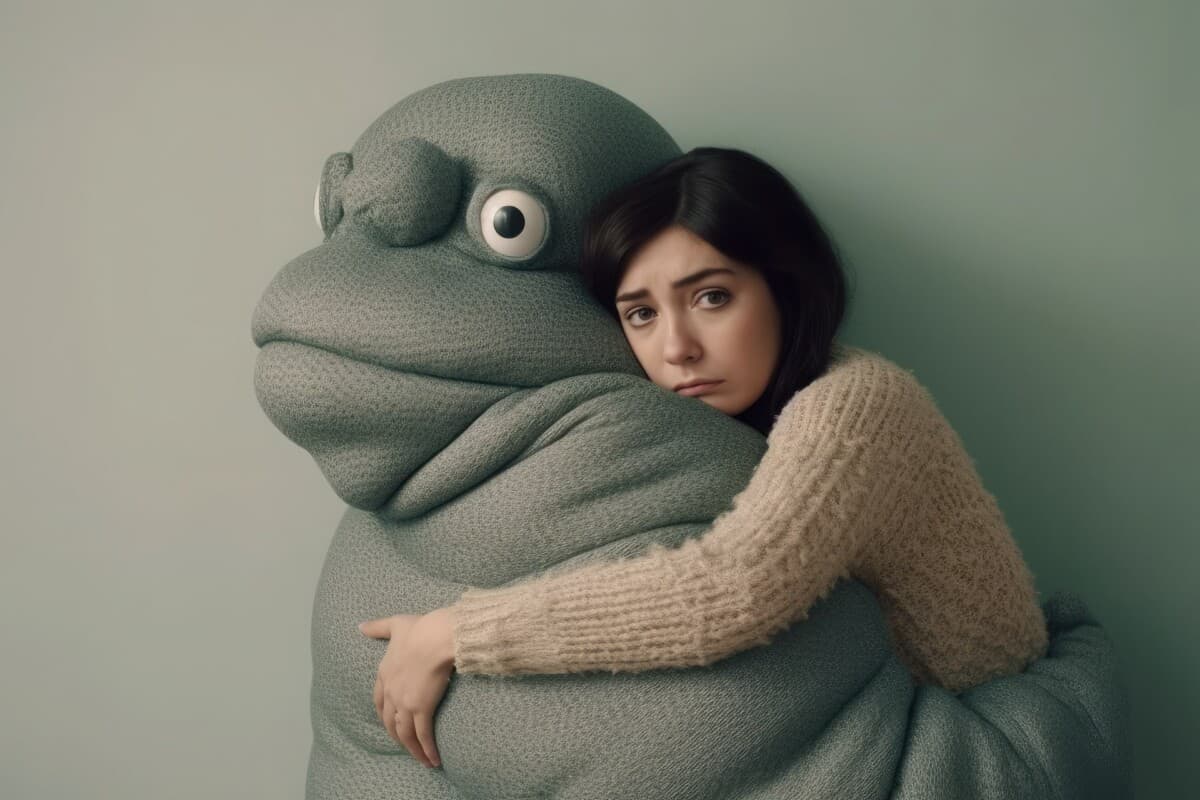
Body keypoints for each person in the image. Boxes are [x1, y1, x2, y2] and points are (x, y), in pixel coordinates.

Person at [356, 147, 1050, 769]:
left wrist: (455, 632)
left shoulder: (858, 402)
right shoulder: (718, 425)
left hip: (984, 753)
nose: (676, 347)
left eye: (711, 297)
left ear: (785, 288)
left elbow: (733, 591)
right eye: (641, 314)